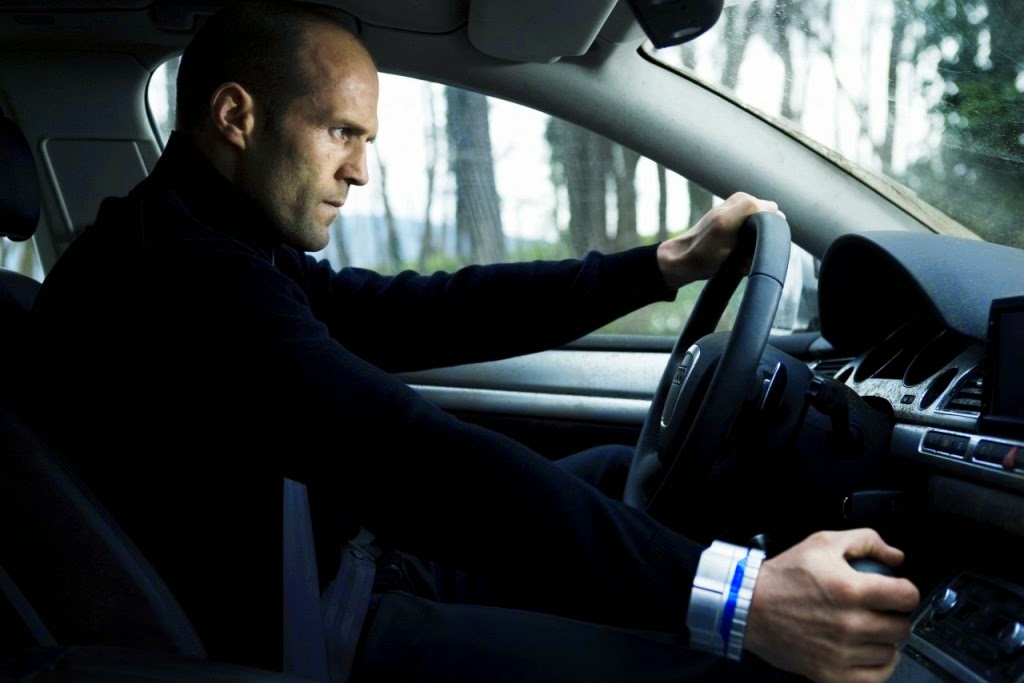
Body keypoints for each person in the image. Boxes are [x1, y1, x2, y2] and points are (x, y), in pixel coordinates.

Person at [27, 2, 920, 682]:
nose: (360, 170)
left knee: (621, 473)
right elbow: (410, 453)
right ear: (236, 116)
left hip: (344, 562)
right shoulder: (176, 278)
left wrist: (660, 267)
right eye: (340, 132)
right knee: (708, 664)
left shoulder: (215, 242)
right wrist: (741, 600)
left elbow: (421, 312)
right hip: (310, 629)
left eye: (366, 140)